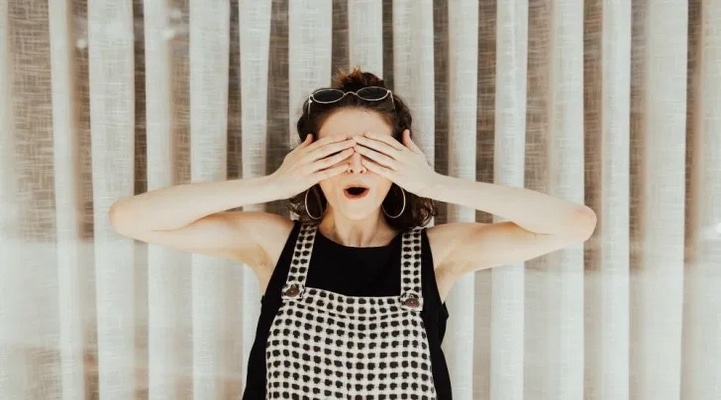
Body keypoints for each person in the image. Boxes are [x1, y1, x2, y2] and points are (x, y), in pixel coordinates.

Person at [109, 68, 596, 399]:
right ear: (309, 161)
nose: (356, 165)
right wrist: (274, 184)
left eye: (376, 152)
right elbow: (130, 218)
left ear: (401, 162)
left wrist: (434, 184)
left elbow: (574, 224)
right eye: (337, 152)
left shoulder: (438, 253)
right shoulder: (273, 245)